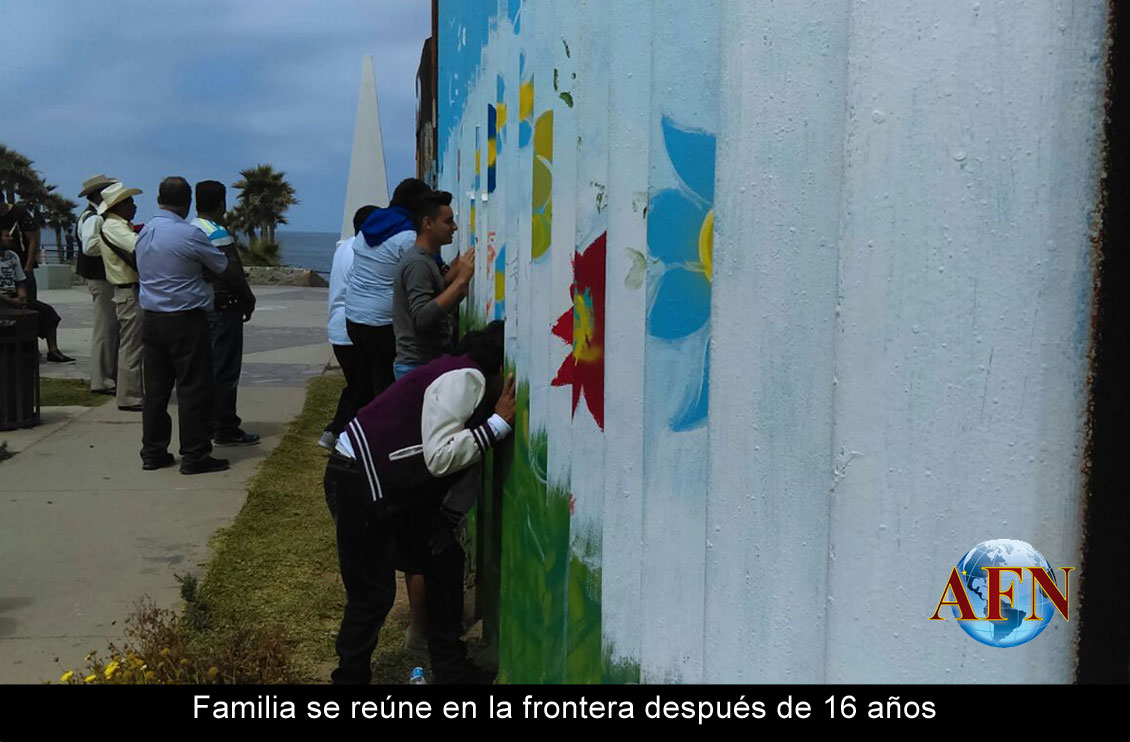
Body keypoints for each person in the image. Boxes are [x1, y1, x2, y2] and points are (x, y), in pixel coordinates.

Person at [324, 321, 515, 684]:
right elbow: (440, 457)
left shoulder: (462, 375)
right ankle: (349, 679)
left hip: (384, 481)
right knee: (373, 592)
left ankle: (450, 668)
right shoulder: (465, 380)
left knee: (443, 559)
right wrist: (498, 424)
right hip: (358, 478)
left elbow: (460, 462)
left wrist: (444, 520)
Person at [135, 176, 242, 474]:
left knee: (155, 391)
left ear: (159, 198)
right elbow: (220, 266)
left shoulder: (144, 232)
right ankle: (195, 455)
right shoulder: (189, 234)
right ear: (188, 202)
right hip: (186, 318)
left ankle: (153, 451)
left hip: (152, 318)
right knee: (193, 388)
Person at [343, 178, 433, 413]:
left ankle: (352, 432)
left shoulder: (368, 226)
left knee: (367, 383)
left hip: (354, 317)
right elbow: (423, 270)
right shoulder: (406, 236)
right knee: (386, 388)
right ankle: (378, 438)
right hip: (381, 324)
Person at [192, 180, 259, 447]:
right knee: (226, 369)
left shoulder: (192, 229)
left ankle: (207, 422)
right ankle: (226, 426)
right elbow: (232, 272)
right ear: (222, 203)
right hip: (224, 307)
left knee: (206, 368)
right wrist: (248, 298)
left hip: (201, 307)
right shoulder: (218, 233)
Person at [391, 190, 474, 380]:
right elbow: (422, 318)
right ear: (428, 223)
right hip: (417, 367)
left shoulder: (424, 260)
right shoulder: (418, 264)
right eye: (448, 221)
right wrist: (460, 282)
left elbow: (431, 303)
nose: (454, 227)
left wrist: (451, 284)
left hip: (421, 364)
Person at [320, 203, 377, 450]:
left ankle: (337, 432)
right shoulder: (363, 251)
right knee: (361, 386)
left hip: (337, 327)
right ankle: (337, 432)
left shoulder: (344, 247)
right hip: (352, 329)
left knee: (357, 385)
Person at [97, 182, 146, 411]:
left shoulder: (118, 226)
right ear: (119, 205)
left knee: (133, 344)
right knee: (132, 346)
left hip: (130, 291)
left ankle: (133, 392)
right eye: (130, 202)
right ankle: (130, 396)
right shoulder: (114, 227)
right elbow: (138, 247)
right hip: (129, 290)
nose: (134, 206)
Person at [76, 174, 121, 395]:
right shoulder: (94, 218)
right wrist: (113, 243)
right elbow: (89, 247)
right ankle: (102, 379)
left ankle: (107, 376)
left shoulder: (95, 216)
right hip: (100, 278)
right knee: (105, 329)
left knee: (109, 329)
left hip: (101, 278)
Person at [1, 228, 72, 361]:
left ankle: (53, 351)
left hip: (13, 296)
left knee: (48, 312)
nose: (10, 238)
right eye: (6, 236)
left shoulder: (12, 256)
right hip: (3, 298)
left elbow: (20, 281)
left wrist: (22, 296)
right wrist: (11, 301)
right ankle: (19, 353)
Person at [0, 192, 41, 303]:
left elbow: (33, 240)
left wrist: (28, 266)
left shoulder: (20, 213)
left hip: (22, 262)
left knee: (30, 302)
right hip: (3, 266)